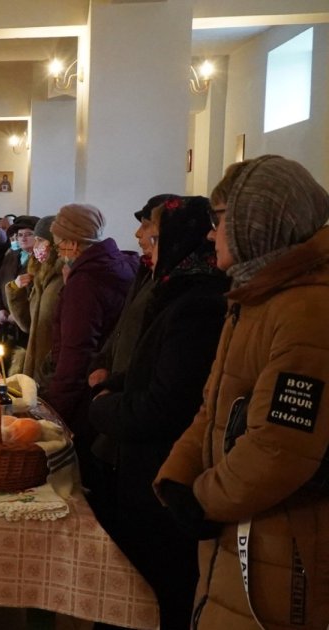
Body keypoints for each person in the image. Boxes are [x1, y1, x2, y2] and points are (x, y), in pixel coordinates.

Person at [156, 156, 329, 629]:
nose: (211, 234)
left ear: (258, 218)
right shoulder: (255, 296)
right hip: (237, 526)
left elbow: (281, 446)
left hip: (279, 540)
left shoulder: (307, 308)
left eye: (219, 220)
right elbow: (211, 408)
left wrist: (203, 498)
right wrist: (177, 476)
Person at [85, 196, 227, 630]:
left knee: (160, 593)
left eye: (155, 234)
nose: (143, 240)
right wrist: (116, 382)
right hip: (144, 467)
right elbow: (151, 363)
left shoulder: (198, 304)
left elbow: (167, 402)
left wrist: (103, 409)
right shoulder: (172, 287)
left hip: (160, 474)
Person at [44, 203, 136, 470]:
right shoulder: (119, 264)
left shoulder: (85, 282)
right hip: (107, 385)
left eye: (59, 245)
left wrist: (55, 410)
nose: (59, 253)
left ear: (73, 245)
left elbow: (76, 349)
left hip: (85, 395)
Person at [87, 194, 181, 391]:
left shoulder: (171, 284)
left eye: (147, 226)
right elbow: (123, 323)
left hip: (134, 394)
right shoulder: (146, 270)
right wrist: (103, 362)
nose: (138, 234)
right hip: (118, 386)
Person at [5, 216, 63, 385]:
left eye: (39, 239)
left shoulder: (61, 278)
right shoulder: (39, 275)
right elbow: (28, 324)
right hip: (37, 364)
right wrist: (15, 291)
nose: (35, 245)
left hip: (49, 370)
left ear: (53, 243)